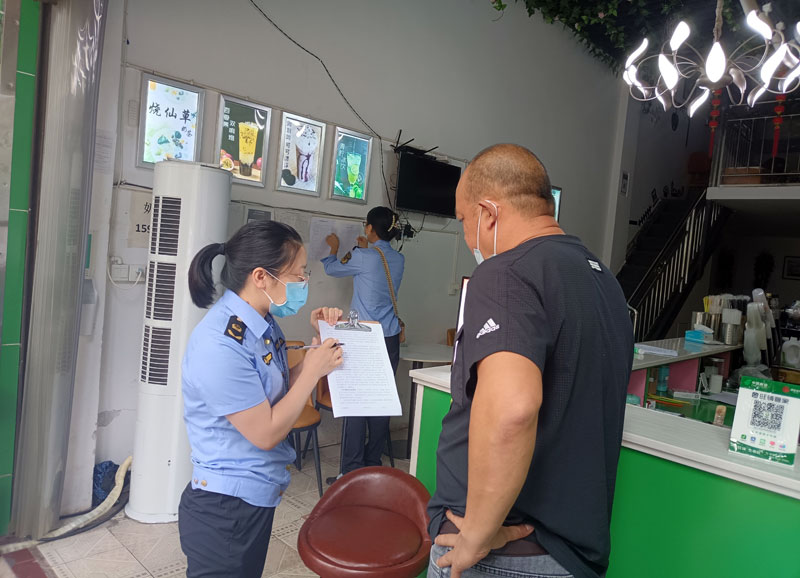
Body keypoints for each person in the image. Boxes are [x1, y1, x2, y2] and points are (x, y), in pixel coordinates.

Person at [427, 144, 633, 578]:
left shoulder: (505, 274)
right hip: (573, 549)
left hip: (507, 557)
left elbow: (513, 408)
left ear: (488, 213)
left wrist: (477, 535)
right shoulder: (602, 279)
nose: (468, 238)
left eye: (463, 220)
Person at [179, 220, 345, 578]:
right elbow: (265, 432)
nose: (304, 282)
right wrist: (313, 372)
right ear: (261, 277)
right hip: (224, 509)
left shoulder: (262, 323)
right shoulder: (219, 344)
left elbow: (279, 389)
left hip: (254, 495)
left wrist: (318, 349)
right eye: (299, 274)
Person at [321, 206, 405, 482]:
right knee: (381, 402)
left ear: (370, 228)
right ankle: (373, 464)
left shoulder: (363, 256)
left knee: (356, 404)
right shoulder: (398, 259)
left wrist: (333, 249)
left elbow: (332, 269)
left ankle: (351, 471)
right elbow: (377, 273)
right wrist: (364, 250)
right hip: (389, 337)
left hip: (365, 339)